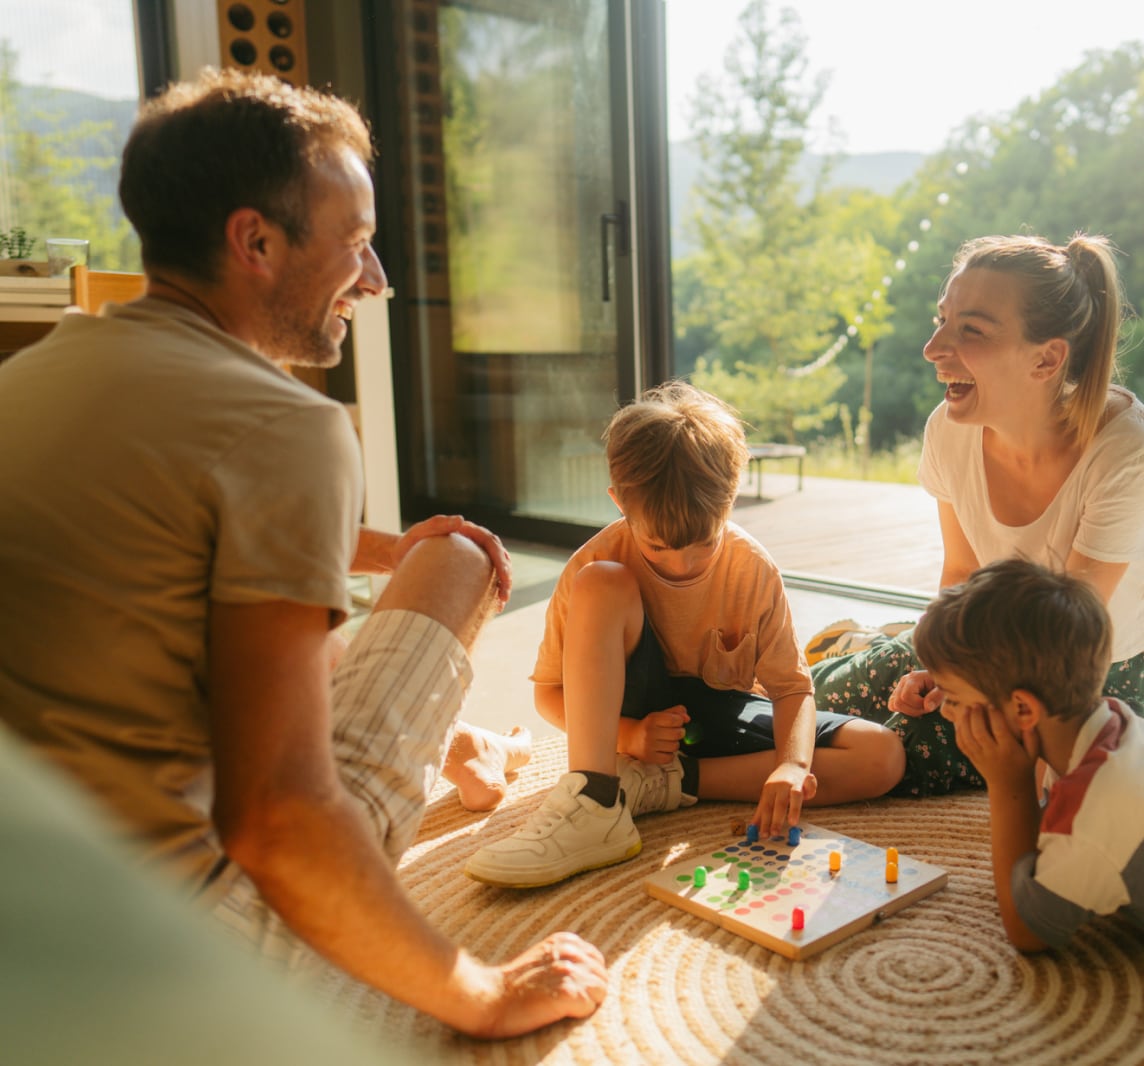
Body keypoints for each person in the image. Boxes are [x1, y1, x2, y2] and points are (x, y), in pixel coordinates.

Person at [0, 69, 605, 1038]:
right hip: (172, 969)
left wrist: (367, 547)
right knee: (453, 559)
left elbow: (170, 516)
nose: (373, 281)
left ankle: (461, 748)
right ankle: (461, 757)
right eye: (357, 246)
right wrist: (482, 993)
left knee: (336, 598)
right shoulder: (286, 430)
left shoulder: (32, 379)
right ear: (256, 242)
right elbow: (275, 823)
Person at [464, 382, 905, 888]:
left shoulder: (753, 568)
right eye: (657, 547)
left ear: (731, 497)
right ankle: (596, 798)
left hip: (717, 716)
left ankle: (667, 786)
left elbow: (791, 688)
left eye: (703, 543)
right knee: (602, 583)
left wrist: (789, 765)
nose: (683, 563)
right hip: (627, 723)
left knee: (883, 755)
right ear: (618, 503)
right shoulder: (593, 565)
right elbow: (548, 694)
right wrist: (629, 735)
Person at [810, 233, 1144, 796]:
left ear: (1047, 357)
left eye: (972, 330)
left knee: (893, 749)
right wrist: (940, 666)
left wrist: (963, 689)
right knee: (817, 696)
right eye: (942, 320)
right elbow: (961, 574)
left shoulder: (1126, 454)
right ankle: (868, 645)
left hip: (1082, 679)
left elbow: (1062, 643)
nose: (934, 347)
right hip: (987, 642)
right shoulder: (950, 427)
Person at [911, 558, 1144, 951]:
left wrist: (1008, 784)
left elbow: (1028, 931)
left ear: (1022, 710)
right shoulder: (1110, 722)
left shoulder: (1096, 809)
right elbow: (1040, 846)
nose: (947, 711)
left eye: (953, 698)